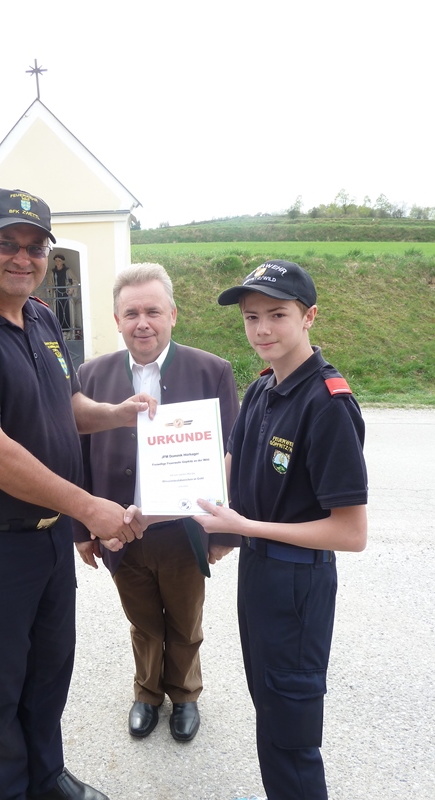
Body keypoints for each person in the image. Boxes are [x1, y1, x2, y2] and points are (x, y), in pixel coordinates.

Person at [0, 188, 156, 800]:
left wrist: (118, 413)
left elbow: (66, 406)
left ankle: (46, 778)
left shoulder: (41, 317)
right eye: (7, 243)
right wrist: (89, 507)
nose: (23, 257)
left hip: (47, 543)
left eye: (36, 247)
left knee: (47, 676)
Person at [190, 260, 368, 799]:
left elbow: (350, 533)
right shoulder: (265, 387)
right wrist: (161, 505)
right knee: (268, 703)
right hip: (260, 570)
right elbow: (229, 470)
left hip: (297, 585)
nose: (262, 329)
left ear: (309, 316)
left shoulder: (328, 404)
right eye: (251, 317)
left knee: (292, 728)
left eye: (277, 315)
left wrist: (245, 526)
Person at [73, 263, 239, 742]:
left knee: (185, 622)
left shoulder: (211, 370)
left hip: (184, 531)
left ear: (173, 315)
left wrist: (225, 532)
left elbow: (232, 453)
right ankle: (147, 694)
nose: (142, 323)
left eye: (152, 311)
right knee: (142, 621)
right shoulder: (90, 375)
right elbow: (77, 457)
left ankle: (184, 695)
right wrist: (81, 530)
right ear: (117, 320)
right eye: (131, 313)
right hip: (120, 531)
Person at [49, 254, 76, 332]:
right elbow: (49, 283)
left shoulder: (68, 271)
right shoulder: (52, 272)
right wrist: (49, 288)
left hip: (66, 294)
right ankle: (58, 330)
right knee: (57, 312)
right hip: (56, 294)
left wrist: (72, 288)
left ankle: (69, 332)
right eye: (56, 261)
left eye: (59, 261)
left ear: (63, 262)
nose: (57, 262)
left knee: (67, 313)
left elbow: (75, 281)